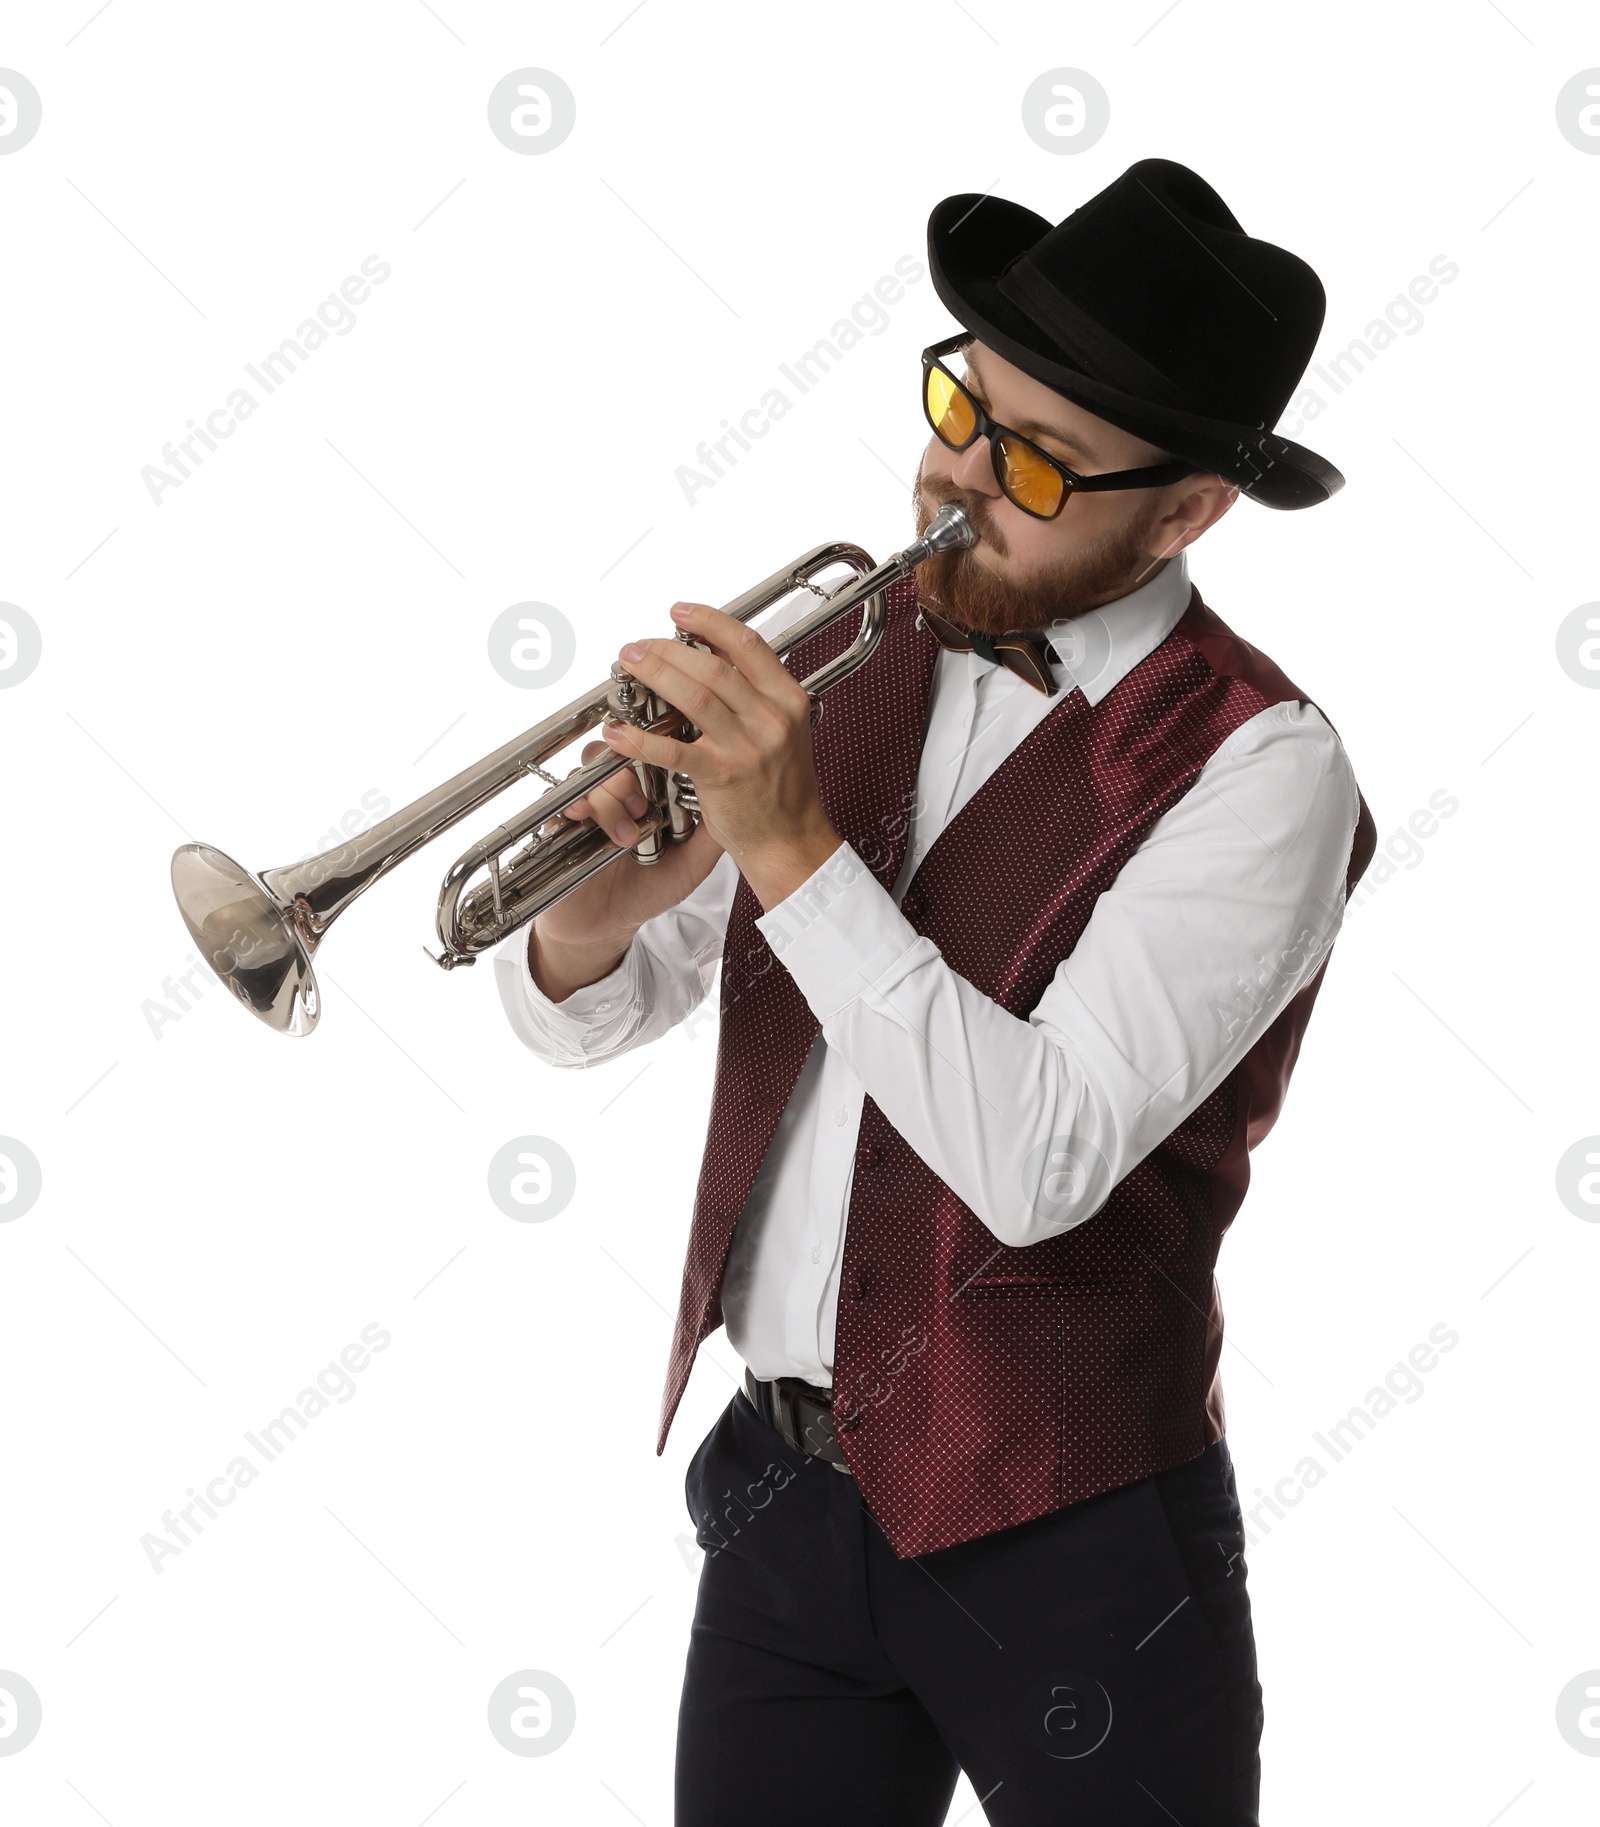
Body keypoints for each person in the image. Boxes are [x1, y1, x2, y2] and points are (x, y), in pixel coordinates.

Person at [495, 157, 1376, 1827]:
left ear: (1188, 511)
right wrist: (603, 908)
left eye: (1037, 461)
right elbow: (600, 1017)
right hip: (781, 1506)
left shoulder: (1265, 765)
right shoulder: (852, 644)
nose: (955, 479)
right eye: (963, 407)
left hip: (1078, 1530)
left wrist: (794, 847)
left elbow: (1039, 1159)